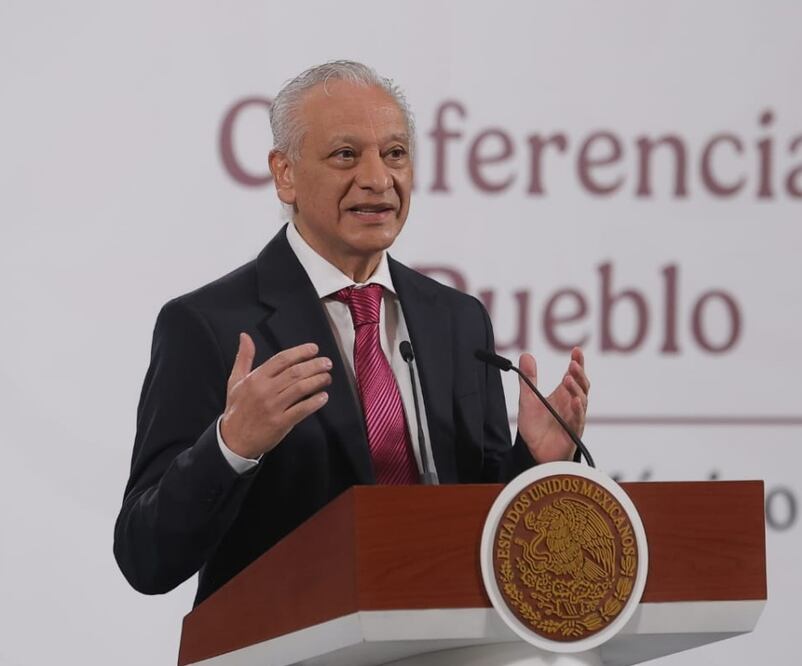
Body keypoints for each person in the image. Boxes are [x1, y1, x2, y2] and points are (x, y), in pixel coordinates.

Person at [113, 60, 590, 606]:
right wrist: (231, 447)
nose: (378, 179)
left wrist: (535, 461)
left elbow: (483, 526)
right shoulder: (208, 325)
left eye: (395, 154)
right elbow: (144, 556)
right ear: (285, 173)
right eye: (346, 155)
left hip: (443, 635)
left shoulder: (457, 320)